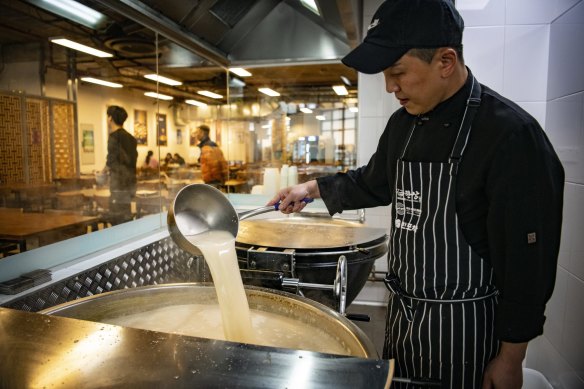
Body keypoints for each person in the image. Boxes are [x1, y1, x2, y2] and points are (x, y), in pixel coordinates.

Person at [269, 1, 564, 388]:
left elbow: (529, 265)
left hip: (466, 336)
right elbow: (374, 181)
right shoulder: (403, 124)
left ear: (445, 60)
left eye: (398, 73)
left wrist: (511, 357)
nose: (391, 87)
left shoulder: (510, 136)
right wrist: (313, 188)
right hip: (404, 321)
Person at [103, 105, 138, 225]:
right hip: (129, 184)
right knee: (126, 216)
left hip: (118, 185)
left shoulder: (114, 137)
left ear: (110, 118)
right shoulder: (131, 138)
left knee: (117, 218)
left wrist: (101, 172)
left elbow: (111, 161)